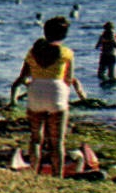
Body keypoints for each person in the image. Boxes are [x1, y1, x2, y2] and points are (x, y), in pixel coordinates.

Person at [8, 17, 86, 176]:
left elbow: (23, 77)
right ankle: (57, 175)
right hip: (57, 93)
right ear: (64, 35)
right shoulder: (67, 53)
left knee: (36, 138)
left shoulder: (33, 52)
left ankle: (34, 170)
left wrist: (15, 95)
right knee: (57, 142)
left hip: (36, 91)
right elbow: (68, 79)